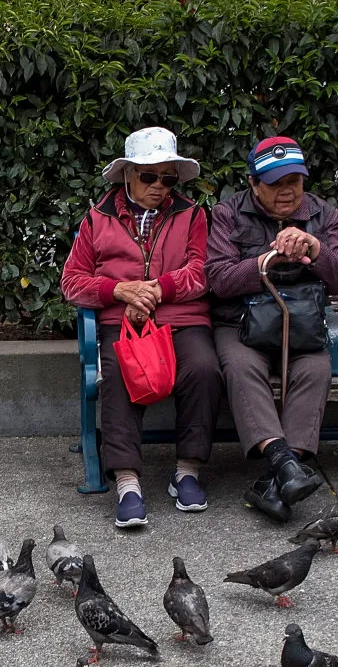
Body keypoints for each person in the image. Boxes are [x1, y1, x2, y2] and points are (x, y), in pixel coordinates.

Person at [61, 127, 223, 529]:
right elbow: (71, 281)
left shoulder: (192, 214)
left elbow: (201, 271)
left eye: (168, 178)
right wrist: (119, 290)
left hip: (182, 319)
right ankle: (128, 483)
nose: (159, 187)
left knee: (204, 369)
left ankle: (187, 471)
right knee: (117, 374)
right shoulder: (97, 219)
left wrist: (155, 291)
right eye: (150, 177)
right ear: (128, 174)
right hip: (122, 321)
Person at [205, 137, 338, 522]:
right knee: (241, 367)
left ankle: (277, 479)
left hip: (303, 324)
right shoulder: (228, 213)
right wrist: (266, 259)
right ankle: (284, 466)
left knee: (316, 369)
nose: (287, 190)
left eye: (295, 181)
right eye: (274, 183)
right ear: (254, 183)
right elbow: (219, 280)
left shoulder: (324, 214)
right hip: (239, 322)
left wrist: (315, 249)